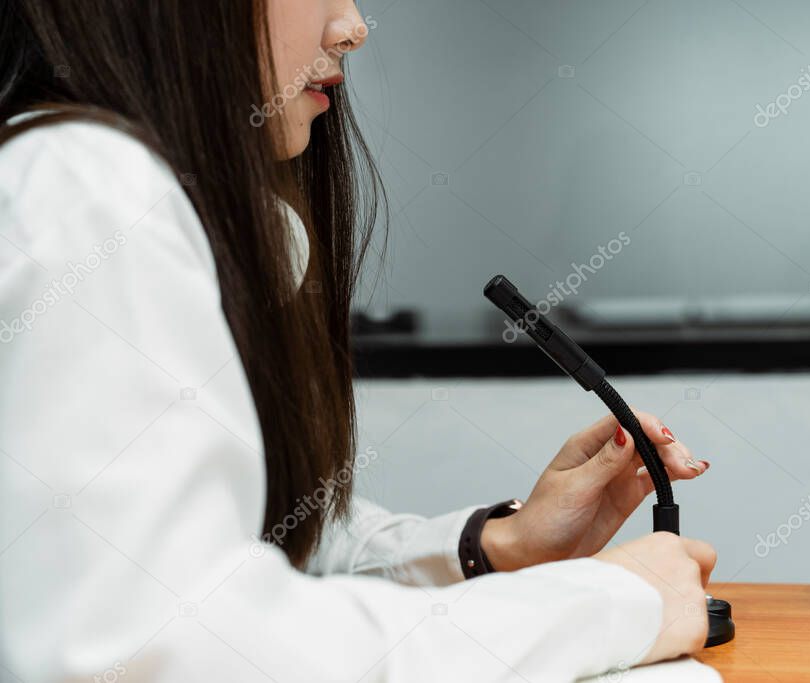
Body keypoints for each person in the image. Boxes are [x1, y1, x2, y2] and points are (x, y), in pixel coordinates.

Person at [0, 1, 717, 680]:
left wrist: (497, 545)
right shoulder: (85, 191)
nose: (351, 28)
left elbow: (258, 551)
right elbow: (162, 646)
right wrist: (607, 605)